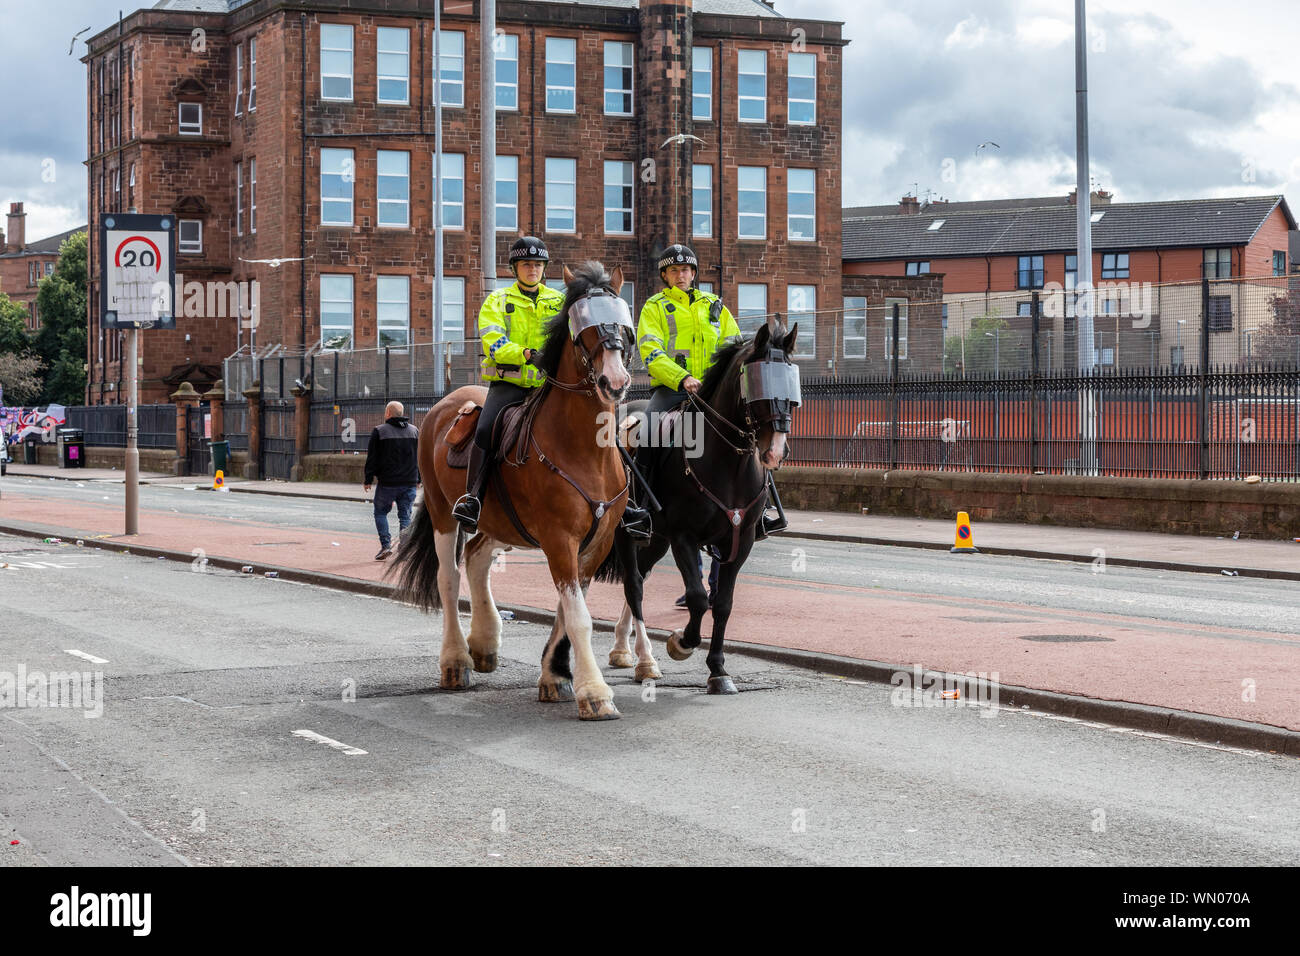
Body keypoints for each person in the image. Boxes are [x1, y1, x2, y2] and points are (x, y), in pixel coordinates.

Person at [452, 236, 564, 533]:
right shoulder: (497, 300)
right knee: (487, 428)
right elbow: (494, 341)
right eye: (526, 264)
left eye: (538, 264)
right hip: (510, 384)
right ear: (515, 268)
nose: (532, 269)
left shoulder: (559, 300)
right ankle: (472, 498)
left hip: (549, 384)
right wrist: (525, 354)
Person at [364, 400, 420, 559]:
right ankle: (404, 549)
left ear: (388, 413)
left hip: (387, 483)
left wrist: (368, 479)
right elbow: (419, 457)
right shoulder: (414, 431)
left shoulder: (379, 431)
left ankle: (386, 545)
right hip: (409, 482)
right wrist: (419, 478)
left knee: (380, 512)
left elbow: (372, 458)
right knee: (405, 516)